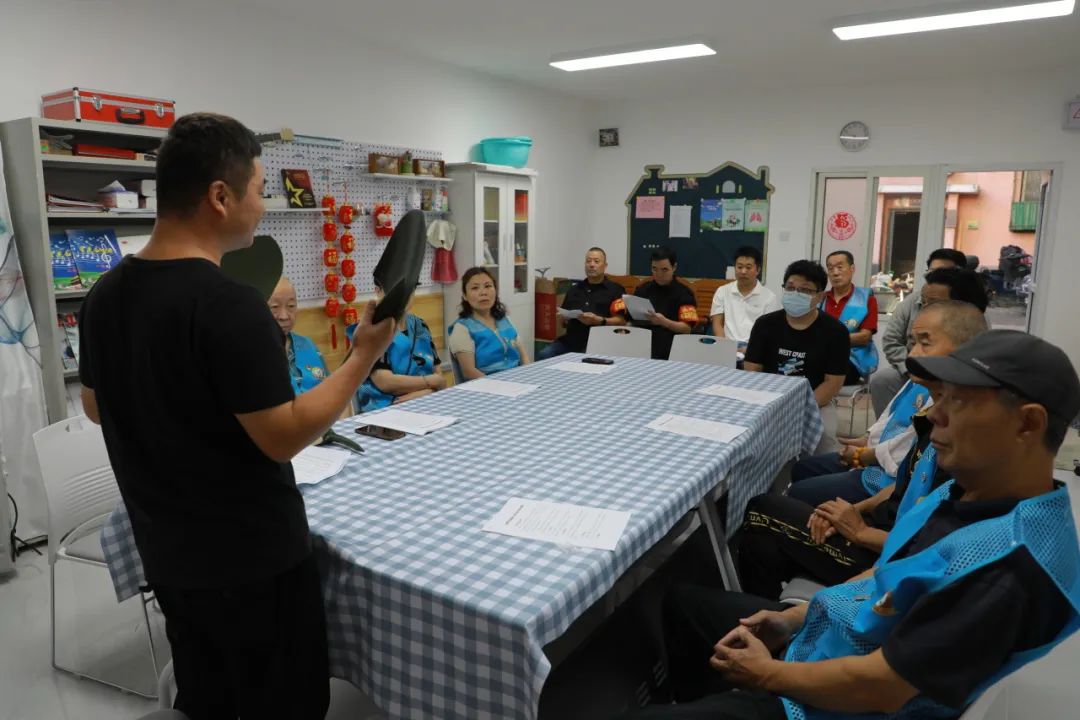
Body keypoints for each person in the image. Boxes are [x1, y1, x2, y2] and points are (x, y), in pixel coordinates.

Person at [76, 114, 396, 719]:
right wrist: (362, 356)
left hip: (169, 555)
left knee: (207, 698)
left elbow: (95, 407)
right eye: (259, 189)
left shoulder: (105, 294)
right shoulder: (229, 305)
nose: (263, 206)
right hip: (251, 562)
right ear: (220, 196)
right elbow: (282, 436)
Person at [624, 330, 1080, 720]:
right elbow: (888, 572)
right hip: (826, 642)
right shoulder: (967, 491)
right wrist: (793, 618)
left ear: (1027, 424)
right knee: (684, 603)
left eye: (956, 401)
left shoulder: (1007, 569)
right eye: (938, 396)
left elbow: (881, 688)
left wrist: (766, 675)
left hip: (834, 705)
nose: (934, 415)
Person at [738, 300, 988, 598]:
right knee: (762, 540)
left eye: (925, 343)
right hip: (876, 524)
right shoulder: (933, 416)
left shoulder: (963, 443)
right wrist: (855, 510)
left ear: (965, 351)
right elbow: (904, 484)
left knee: (762, 508)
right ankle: (766, 612)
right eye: (913, 343)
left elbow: (933, 550)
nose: (912, 354)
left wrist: (859, 532)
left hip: (886, 555)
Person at [744, 260, 849, 454]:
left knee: (823, 437)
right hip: (767, 399)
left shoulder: (836, 332)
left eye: (805, 290)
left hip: (815, 403)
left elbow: (833, 383)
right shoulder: (765, 324)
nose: (795, 294)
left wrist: (798, 409)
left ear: (820, 296)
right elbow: (752, 369)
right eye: (790, 288)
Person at [870, 248, 968, 414]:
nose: (936, 277)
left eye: (944, 273)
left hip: (949, 375)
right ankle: (889, 427)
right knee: (883, 380)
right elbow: (891, 340)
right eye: (932, 272)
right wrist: (911, 369)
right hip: (910, 369)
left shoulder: (969, 310)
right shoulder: (913, 300)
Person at [353, 275, 444, 413]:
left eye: (410, 289)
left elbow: (439, 376)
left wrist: (427, 392)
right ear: (378, 291)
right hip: (384, 411)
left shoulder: (421, 325)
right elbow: (385, 382)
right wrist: (431, 383)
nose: (404, 296)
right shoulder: (370, 330)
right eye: (395, 290)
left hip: (426, 404)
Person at [537, 246, 626, 360]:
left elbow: (622, 321)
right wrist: (564, 318)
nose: (591, 265)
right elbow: (564, 322)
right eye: (588, 261)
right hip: (571, 341)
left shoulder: (615, 290)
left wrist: (600, 320)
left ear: (605, 266)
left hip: (601, 343)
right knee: (544, 354)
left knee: (583, 361)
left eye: (596, 261)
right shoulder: (574, 290)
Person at [449, 266, 530, 379]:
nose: (483, 292)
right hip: (487, 384)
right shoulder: (462, 328)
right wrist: (499, 385)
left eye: (488, 286)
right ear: (465, 296)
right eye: (475, 288)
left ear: (495, 290)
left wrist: (527, 376)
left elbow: (524, 357)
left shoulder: (505, 320)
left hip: (518, 379)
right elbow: (469, 371)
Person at [821, 250, 879, 385]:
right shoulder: (821, 299)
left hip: (852, 360)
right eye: (830, 268)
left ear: (852, 269)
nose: (835, 273)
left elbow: (864, 337)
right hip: (821, 356)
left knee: (822, 371)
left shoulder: (866, 298)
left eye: (840, 267)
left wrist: (829, 341)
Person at [631, 247, 699, 360]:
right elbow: (631, 319)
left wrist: (664, 322)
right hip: (641, 345)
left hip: (670, 347)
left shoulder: (684, 294)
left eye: (664, 270)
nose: (659, 274)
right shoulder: (642, 290)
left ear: (674, 267)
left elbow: (686, 329)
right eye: (654, 269)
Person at [267, 276, 329, 395]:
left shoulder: (307, 345)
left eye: (291, 306)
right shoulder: (252, 354)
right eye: (274, 307)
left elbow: (330, 389)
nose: (284, 316)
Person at [709, 245, 779, 347]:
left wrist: (752, 349)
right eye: (739, 267)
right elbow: (717, 323)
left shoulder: (769, 297)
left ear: (758, 270)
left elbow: (769, 330)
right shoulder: (722, 291)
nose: (743, 271)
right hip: (727, 345)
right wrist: (724, 346)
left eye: (748, 267)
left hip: (754, 347)